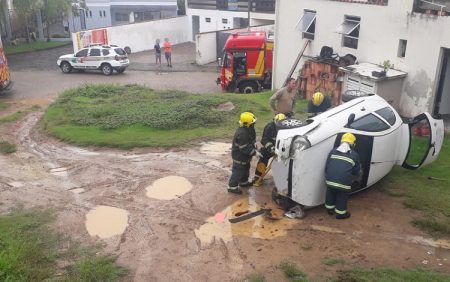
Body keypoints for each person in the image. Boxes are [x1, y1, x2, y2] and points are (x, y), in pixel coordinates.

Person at [324, 133, 361, 219]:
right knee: (342, 195)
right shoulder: (355, 155)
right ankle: (341, 213)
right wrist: (355, 179)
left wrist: (329, 175)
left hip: (330, 179)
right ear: (353, 143)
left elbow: (327, 166)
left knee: (330, 192)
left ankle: (329, 209)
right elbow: (356, 171)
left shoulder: (333, 151)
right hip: (343, 183)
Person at [228, 112, 262, 194]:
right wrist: (255, 153)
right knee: (238, 171)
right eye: (253, 123)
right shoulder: (242, 133)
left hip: (245, 157)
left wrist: (255, 147)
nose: (254, 124)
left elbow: (251, 142)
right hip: (239, 157)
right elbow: (244, 147)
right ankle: (232, 187)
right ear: (248, 123)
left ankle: (243, 183)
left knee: (246, 169)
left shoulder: (248, 130)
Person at [253, 113, 286, 186]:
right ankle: (257, 177)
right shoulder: (269, 127)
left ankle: (282, 180)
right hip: (270, 148)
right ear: (275, 121)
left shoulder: (286, 126)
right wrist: (271, 148)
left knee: (282, 162)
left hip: (280, 148)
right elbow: (264, 139)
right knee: (263, 158)